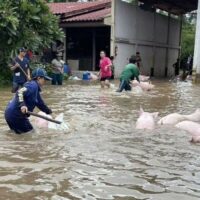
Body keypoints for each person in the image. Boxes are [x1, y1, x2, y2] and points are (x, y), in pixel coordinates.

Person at [4, 68, 52, 134]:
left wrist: (49, 112)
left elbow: (41, 104)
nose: (45, 81)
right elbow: (19, 92)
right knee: (31, 134)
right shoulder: (32, 85)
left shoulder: (36, 90)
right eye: (44, 79)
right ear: (38, 78)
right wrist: (23, 105)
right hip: (16, 114)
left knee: (17, 135)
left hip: (10, 113)